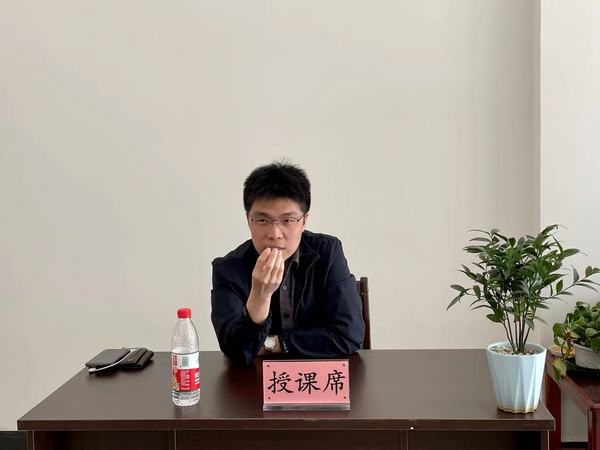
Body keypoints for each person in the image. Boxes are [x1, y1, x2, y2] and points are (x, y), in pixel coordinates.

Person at [211, 161, 365, 366]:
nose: (275, 234)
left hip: (320, 378)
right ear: (248, 220)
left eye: (288, 220)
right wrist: (260, 295)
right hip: (254, 382)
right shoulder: (228, 269)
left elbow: (349, 335)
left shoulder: (328, 252)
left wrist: (273, 344)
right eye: (262, 220)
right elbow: (236, 350)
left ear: (304, 220)